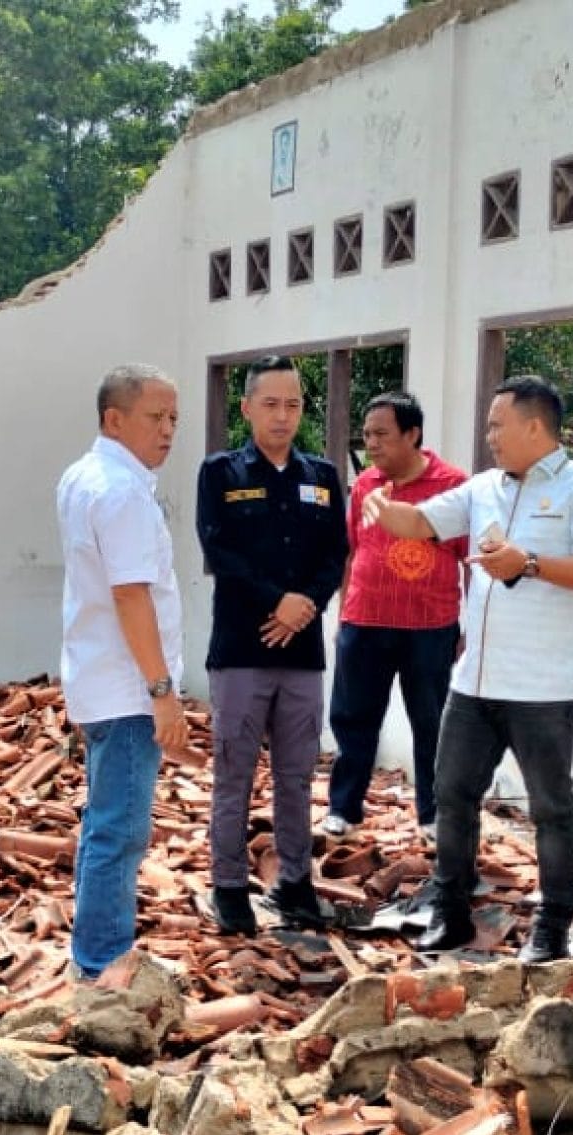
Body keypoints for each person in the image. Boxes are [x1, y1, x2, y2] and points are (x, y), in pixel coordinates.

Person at [363, 375, 573, 962]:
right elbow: (422, 523)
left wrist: (527, 562)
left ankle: (552, 926)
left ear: (535, 426)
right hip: (475, 682)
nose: (489, 436)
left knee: (552, 807)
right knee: (452, 794)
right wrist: (382, 504)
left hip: (543, 687)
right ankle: (450, 912)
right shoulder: (483, 489)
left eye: (497, 425)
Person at [196, 354, 349, 936]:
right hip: (241, 646)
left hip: (303, 652)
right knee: (233, 772)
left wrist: (304, 605)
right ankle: (229, 884)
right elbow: (220, 551)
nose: (282, 416)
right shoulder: (221, 473)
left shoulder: (321, 476)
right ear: (247, 408)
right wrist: (276, 603)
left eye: (293, 405)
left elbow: (334, 554)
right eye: (270, 404)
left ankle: (295, 880)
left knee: (296, 774)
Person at [57, 364, 188, 980]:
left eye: (174, 419)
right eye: (155, 417)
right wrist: (162, 692)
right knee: (120, 830)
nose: (168, 430)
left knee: (103, 822)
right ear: (115, 419)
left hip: (99, 679)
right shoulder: (122, 493)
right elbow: (132, 596)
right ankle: (101, 965)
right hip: (127, 688)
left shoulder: (84, 478)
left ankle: (93, 952)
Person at [322, 392, 468, 842]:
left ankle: (433, 814)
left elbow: (470, 561)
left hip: (429, 626)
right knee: (353, 718)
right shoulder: (365, 484)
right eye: (367, 436)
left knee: (432, 723)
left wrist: (467, 629)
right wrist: (345, 614)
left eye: (382, 435)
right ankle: (344, 808)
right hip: (365, 621)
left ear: (412, 434)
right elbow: (352, 551)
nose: (372, 444)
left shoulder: (454, 485)